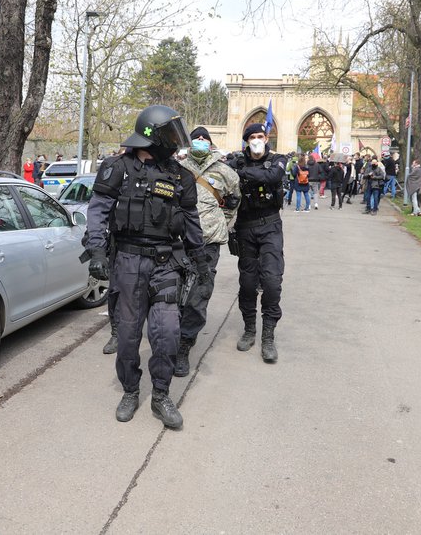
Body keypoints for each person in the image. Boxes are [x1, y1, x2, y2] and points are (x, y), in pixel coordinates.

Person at [83, 105, 208, 429]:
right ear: (151, 136)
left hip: (166, 263)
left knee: (167, 332)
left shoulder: (180, 176)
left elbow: (192, 220)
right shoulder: (116, 169)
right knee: (127, 336)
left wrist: (201, 260)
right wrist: (96, 250)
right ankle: (130, 390)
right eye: (169, 134)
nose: (174, 141)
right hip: (127, 262)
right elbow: (97, 211)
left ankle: (161, 395)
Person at [175, 126, 240, 377]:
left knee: (199, 294)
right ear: (190, 143)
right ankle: (170, 337)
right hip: (178, 241)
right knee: (173, 291)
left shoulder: (225, 172)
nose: (200, 140)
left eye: (205, 138)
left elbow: (234, 201)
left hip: (208, 242)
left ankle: (184, 345)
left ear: (211, 143)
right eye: (196, 138)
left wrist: (220, 221)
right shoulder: (177, 168)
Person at [227, 123, 287, 363]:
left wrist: (242, 173)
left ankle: (268, 336)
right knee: (248, 282)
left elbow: (272, 176)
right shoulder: (237, 162)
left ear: (267, 137)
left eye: (260, 136)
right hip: (245, 227)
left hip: (271, 225)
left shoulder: (278, 159)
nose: (256, 140)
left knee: (272, 282)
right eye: (252, 137)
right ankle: (250, 329)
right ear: (246, 140)